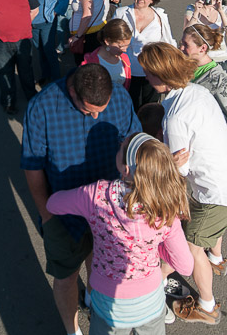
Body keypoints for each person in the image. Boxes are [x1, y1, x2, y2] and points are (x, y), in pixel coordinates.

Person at [138, 43, 227, 325]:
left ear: (160, 75)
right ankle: (217, 259)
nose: (145, 76)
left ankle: (206, 306)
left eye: (147, 72)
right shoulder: (197, 92)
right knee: (210, 228)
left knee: (192, 245)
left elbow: (181, 168)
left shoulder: (176, 117)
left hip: (217, 192)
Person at [21, 64, 142, 335]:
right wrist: (47, 216)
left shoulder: (120, 97)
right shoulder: (42, 107)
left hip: (110, 209)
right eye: (90, 110)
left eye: (103, 108)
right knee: (66, 278)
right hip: (65, 217)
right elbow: (33, 166)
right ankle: (72, 330)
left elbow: (135, 142)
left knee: (99, 262)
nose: (98, 115)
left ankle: (91, 297)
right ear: (73, 91)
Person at [46, 133, 194, 333]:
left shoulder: (96, 195)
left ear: (125, 170)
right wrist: (157, 247)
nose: (118, 146)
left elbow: (53, 204)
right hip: (151, 303)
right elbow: (186, 266)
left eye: (121, 148)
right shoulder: (166, 209)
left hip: (109, 306)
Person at [113, 0, 176, 111]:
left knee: (150, 109)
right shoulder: (121, 13)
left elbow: (168, 42)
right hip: (126, 71)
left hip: (152, 70)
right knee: (129, 107)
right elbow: (112, 39)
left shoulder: (160, 16)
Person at [179, 24, 227, 143]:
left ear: (202, 48)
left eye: (186, 45)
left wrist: (225, 151)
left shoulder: (219, 80)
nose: (181, 48)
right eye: (181, 42)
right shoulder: (184, 67)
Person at [27, 0, 69, 85]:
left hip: (47, 22)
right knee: (39, 50)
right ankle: (45, 75)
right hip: (33, 22)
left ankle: (56, 79)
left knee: (49, 50)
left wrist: (55, 12)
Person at [183, 0, 227, 77]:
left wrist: (220, 11)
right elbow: (186, 32)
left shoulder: (226, 10)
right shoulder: (191, 9)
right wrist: (196, 12)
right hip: (197, 60)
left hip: (220, 59)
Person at [68, 0, 111, 64]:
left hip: (86, 35)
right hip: (97, 30)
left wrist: (77, 36)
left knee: (83, 64)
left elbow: (87, 16)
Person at [82, 19, 133, 90]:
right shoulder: (90, 62)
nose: (125, 50)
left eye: (127, 45)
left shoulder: (124, 59)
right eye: (121, 46)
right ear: (107, 41)